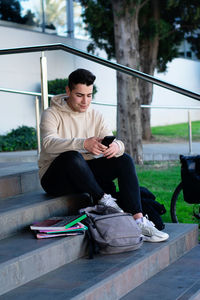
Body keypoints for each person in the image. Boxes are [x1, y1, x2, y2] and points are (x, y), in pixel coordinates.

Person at [38, 68, 169, 243]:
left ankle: (139, 221)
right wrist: (83, 143)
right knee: (72, 157)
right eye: (79, 95)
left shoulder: (95, 115)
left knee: (124, 160)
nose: (85, 101)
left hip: (85, 175)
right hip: (55, 178)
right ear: (68, 91)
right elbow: (48, 143)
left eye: (89, 95)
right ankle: (106, 201)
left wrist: (116, 146)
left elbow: (116, 142)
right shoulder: (51, 113)